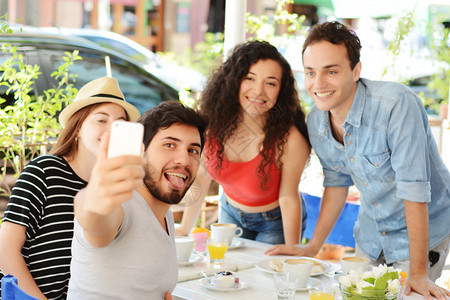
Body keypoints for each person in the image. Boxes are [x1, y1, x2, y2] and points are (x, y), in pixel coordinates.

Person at [265, 21, 450, 299]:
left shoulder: (396, 105)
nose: (318, 84)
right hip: (371, 235)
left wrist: (418, 273)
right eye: (311, 73)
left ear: (356, 71)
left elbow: (415, 191)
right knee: (353, 295)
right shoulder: (317, 121)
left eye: (331, 71)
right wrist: (313, 246)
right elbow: (336, 184)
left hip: (422, 235)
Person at [0, 76, 140, 299]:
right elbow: (5, 251)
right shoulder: (43, 172)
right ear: (77, 128)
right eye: (101, 120)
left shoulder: (114, 188)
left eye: (119, 123)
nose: (111, 130)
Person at [67, 101, 207, 299]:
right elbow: (95, 219)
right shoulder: (122, 205)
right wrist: (93, 199)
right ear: (141, 152)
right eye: (170, 145)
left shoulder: (164, 215)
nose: (184, 160)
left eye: (193, 150)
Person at [175, 40, 311, 245]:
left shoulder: (290, 139)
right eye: (250, 78)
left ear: (281, 91)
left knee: (267, 276)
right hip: (231, 213)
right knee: (228, 273)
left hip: (275, 221)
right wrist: (185, 228)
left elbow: (288, 198)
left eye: (271, 83)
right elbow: (202, 177)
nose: (259, 91)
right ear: (234, 81)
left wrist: (292, 250)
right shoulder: (212, 124)